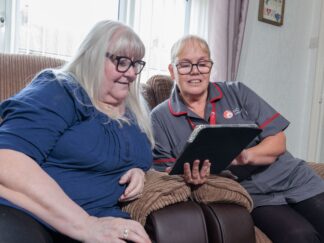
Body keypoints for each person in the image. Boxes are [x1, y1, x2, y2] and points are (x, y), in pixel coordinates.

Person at [151, 34, 324, 243]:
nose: (195, 71)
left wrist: (244, 156)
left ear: (210, 67)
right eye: (185, 65)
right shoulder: (160, 118)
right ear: (172, 70)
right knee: (299, 236)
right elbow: (165, 174)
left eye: (202, 64)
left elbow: (278, 141)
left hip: (293, 178)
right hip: (255, 196)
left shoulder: (236, 91)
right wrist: (190, 180)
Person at [0, 20, 153, 243]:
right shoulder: (60, 89)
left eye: (135, 63)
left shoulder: (135, 110)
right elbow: (7, 161)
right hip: (31, 216)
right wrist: (87, 225)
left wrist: (139, 171)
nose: (130, 73)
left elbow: (142, 157)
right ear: (92, 56)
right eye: (121, 61)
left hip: (100, 219)